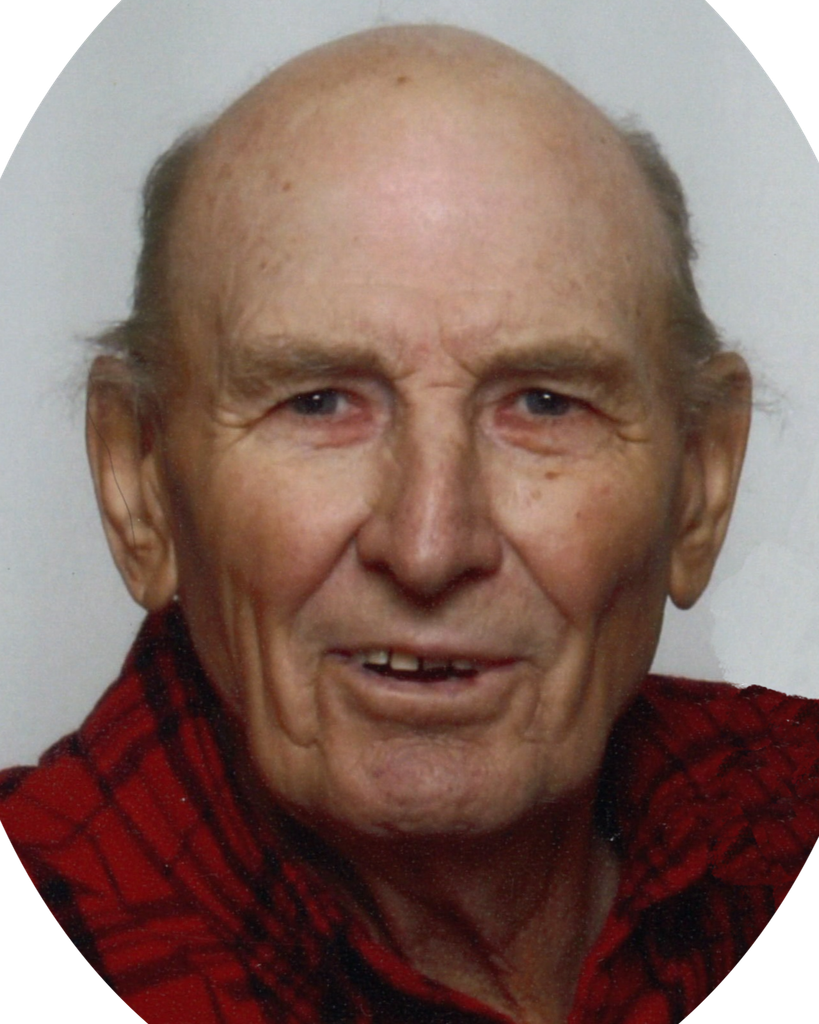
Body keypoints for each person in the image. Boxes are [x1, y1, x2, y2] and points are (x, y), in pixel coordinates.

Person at [1, 23, 816, 1024]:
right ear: (138, 483)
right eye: (317, 402)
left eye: (545, 403)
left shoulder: (788, 811)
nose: (430, 546)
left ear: (699, 484)